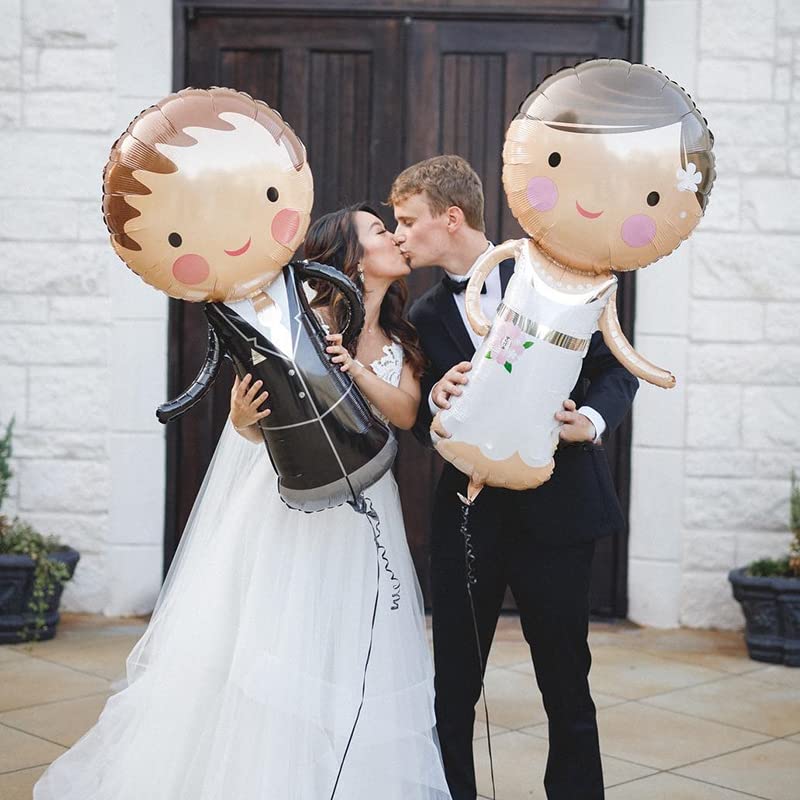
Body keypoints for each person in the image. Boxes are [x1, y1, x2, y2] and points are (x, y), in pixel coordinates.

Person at [33, 204, 451, 800]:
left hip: (365, 507)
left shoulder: (402, 337)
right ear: (351, 257)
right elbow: (255, 422)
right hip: (291, 504)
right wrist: (240, 415)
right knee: (283, 634)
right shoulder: (300, 320)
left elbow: (405, 413)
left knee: (354, 635)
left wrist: (353, 368)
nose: (394, 236)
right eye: (380, 230)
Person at [390, 155, 639, 800]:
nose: (399, 235)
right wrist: (437, 404)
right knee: (454, 687)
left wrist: (589, 418)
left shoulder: (560, 271)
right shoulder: (421, 316)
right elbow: (419, 423)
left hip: (561, 509)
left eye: (409, 221)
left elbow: (619, 369)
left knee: (565, 680)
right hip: (469, 515)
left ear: (450, 219)